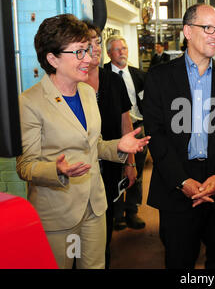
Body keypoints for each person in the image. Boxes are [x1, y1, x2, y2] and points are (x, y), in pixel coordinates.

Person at [16, 14, 150, 269]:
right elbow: (26, 166)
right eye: (79, 52)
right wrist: (57, 169)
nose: (89, 58)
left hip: (95, 206)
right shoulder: (30, 103)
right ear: (52, 58)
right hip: (58, 214)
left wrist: (118, 147)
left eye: (87, 50)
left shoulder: (87, 93)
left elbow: (94, 144)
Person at [143, 4, 215, 269]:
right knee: (179, 260)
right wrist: (182, 180)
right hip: (176, 185)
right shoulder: (159, 77)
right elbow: (156, 135)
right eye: (209, 28)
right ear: (188, 31)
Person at [83, 21, 135, 269]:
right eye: (88, 42)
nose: (95, 48)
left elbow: (126, 123)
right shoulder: (73, 84)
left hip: (111, 167)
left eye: (98, 42)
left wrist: (130, 163)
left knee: (104, 229)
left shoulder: (113, 82)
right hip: (80, 173)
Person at [104, 35, 147, 230]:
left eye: (124, 48)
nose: (122, 52)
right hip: (113, 133)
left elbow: (147, 103)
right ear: (108, 53)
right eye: (117, 49)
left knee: (136, 172)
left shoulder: (139, 75)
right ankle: (117, 213)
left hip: (137, 128)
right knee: (116, 172)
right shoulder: (102, 75)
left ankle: (132, 211)